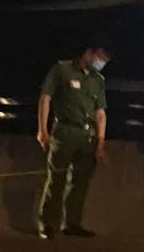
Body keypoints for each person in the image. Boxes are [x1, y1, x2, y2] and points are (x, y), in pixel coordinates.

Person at [34, 33, 109, 240]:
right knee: (56, 179)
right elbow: (45, 98)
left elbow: (100, 113)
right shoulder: (62, 70)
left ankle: (72, 223)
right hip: (65, 131)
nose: (101, 62)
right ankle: (47, 224)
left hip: (87, 136)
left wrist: (101, 143)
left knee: (80, 182)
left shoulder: (97, 80)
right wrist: (42, 130)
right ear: (88, 52)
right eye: (100, 56)